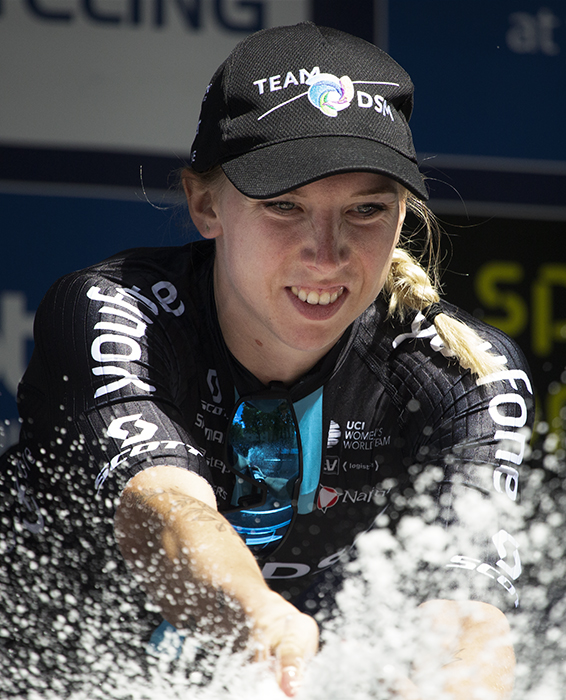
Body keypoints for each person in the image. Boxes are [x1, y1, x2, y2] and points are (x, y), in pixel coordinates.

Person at [0, 22, 534, 700]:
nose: (327, 251)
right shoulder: (111, 308)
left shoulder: (465, 375)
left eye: (367, 209)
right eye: (284, 205)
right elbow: (163, 512)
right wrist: (262, 625)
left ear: (403, 217)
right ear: (204, 203)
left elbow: (470, 619)